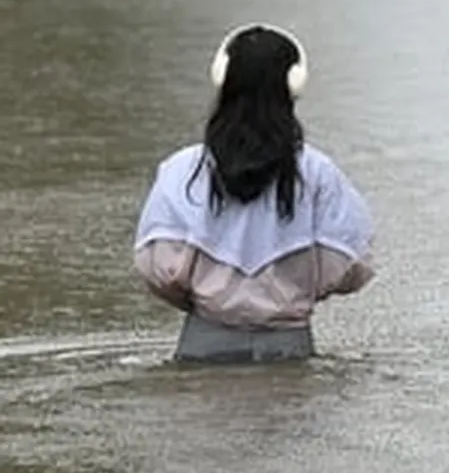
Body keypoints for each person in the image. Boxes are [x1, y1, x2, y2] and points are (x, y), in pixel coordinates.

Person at [133, 23, 376, 363]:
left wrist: (206, 297)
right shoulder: (318, 172)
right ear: (295, 84)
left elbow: (155, 267)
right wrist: (298, 290)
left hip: (201, 342)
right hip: (289, 345)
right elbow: (351, 264)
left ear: (221, 77)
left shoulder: (181, 169)